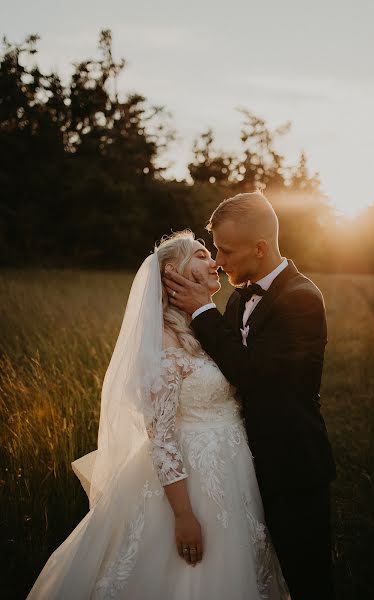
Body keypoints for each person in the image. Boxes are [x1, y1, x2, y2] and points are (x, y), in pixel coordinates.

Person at [26, 230, 290, 600]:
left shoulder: (209, 328)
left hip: (232, 471)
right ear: (172, 271)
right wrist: (183, 516)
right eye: (201, 254)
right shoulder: (163, 344)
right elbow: (161, 438)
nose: (214, 260)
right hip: (189, 483)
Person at [163, 192, 337, 600]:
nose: (219, 262)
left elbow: (254, 376)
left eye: (225, 250)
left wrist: (202, 310)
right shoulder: (239, 297)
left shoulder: (301, 300)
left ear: (260, 248)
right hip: (240, 469)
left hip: (292, 469)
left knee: (307, 579)